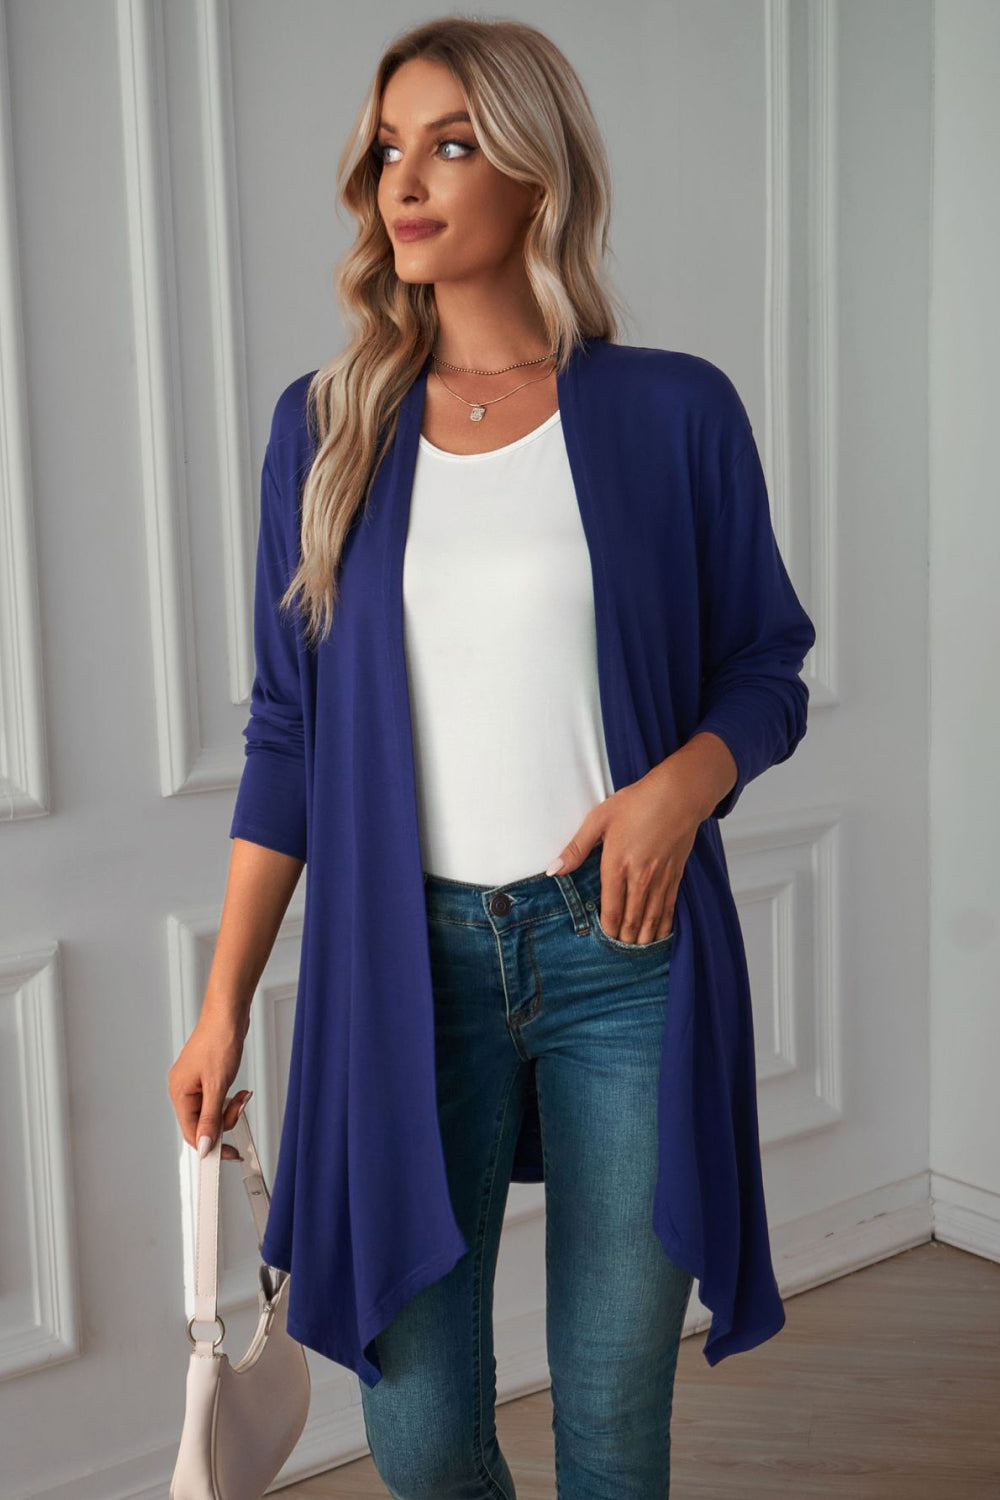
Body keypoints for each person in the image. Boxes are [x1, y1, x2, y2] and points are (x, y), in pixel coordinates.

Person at [168, 16, 816, 1500]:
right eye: (389, 150)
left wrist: (680, 787)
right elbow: (286, 733)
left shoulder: (673, 410)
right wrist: (221, 1007)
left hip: (626, 955)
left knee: (609, 1420)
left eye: (451, 144)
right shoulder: (326, 430)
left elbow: (768, 663)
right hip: (404, 968)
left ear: (536, 171)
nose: (406, 181)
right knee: (418, 1433)